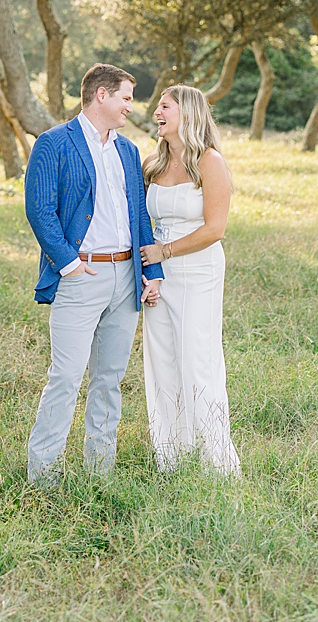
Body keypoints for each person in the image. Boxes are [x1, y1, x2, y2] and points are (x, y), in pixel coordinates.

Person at [25, 64, 163, 483]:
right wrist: (69, 264)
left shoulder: (127, 151)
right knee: (65, 377)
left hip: (125, 278)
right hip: (80, 276)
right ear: (101, 96)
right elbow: (40, 210)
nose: (130, 107)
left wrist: (150, 269)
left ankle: (99, 473)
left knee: (109, 380)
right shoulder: (53, 144)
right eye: (125, 98)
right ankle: (43, 478)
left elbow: (138, 213)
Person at [137, 84, 241, 475]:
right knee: (162, 360)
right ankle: (172, 457)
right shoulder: (152, 164)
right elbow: (144, 225)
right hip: (159, 276)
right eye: (158, 107)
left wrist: (165, 252)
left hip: (198, 270)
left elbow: (215, 229)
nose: (156, 113)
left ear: (189, 113)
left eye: (165, 107)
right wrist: (152, 272)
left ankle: (215, 460)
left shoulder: (210, 163)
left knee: (197, 360)